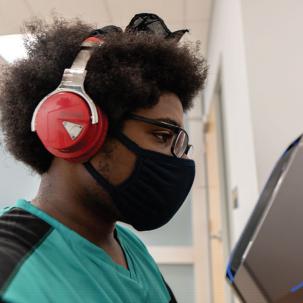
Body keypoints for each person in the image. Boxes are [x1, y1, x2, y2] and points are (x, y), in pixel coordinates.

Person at [0, 13, 207, 303]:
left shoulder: (128, 246)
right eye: (161, 136)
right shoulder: (11, 270)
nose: (179, 160)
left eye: (180, 144)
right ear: (74, 129)